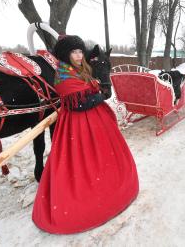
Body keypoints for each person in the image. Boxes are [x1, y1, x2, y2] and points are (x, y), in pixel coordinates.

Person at [32, 35, 139, 234]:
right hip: (78, 126)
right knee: (83, 164)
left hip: (95, 123)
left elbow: (88, 90)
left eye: (81, 51)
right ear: (65, 54)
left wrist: (94, 88)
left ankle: (113, 192)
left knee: (104, 161)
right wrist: (98, 94)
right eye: (74, 52)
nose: (79, 55)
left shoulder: (79, 70)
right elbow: (79, 104)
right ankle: (88, 205)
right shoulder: (63, 75)